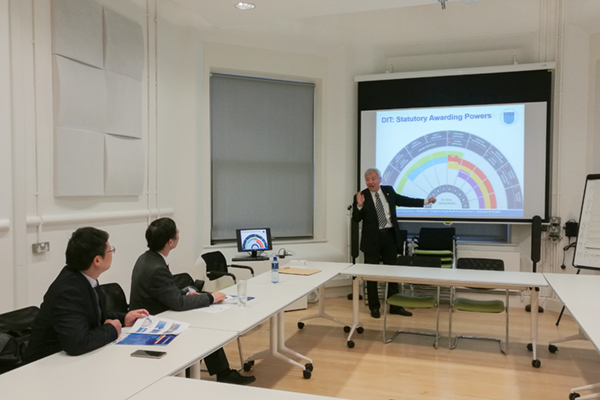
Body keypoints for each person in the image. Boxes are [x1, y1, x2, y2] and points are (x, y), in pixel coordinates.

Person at [129, 217, 255, 385]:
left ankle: (216, 372)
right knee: (204, 328)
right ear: (170, 242)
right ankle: (205, 374)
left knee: (204, 324)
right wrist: (211, 297)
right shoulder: (156, 267)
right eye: (177, 232)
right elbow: (178, 303)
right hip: (154, 321)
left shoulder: (147, 258)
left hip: (159, 312)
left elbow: (165, 290)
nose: (179, 233)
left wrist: (186, 293)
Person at [25, 227, 149, 363]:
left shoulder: (84, 278)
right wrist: (112, 330)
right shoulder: (67, 291)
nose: (112, 254)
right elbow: (77, 343)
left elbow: (95, 314)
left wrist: (124, 318)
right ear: (97, 261)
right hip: (45, 364)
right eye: (110, 250)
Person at [352, 168, 437, 319]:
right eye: (367, 180)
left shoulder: (388, 191)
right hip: (371, 240)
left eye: (373, 179)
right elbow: (356, 218)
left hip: (389, 237)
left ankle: (395, 306)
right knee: (371, 275)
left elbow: (404, 201)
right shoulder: (361, 196)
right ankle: (374, 307)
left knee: (392, 273)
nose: (370, 182)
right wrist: (359, 205)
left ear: (380, 179)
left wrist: (425, 201)